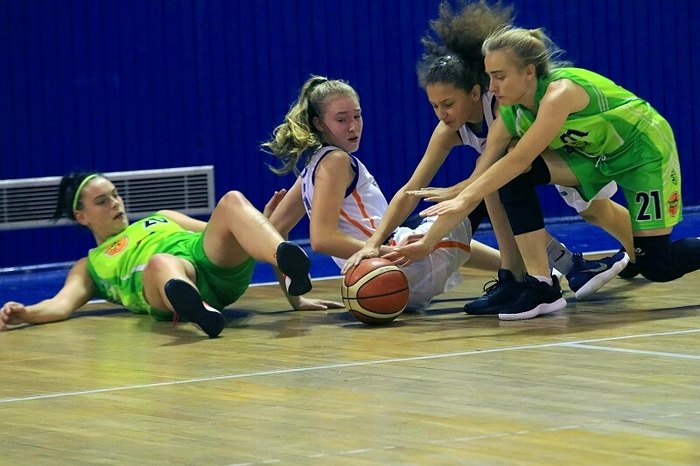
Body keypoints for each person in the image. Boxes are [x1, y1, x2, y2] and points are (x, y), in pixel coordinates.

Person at [391, 20, 700, 320]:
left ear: (528, 72)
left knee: (657, 266)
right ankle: (541, 284)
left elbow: (519, 159)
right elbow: (487, 172)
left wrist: (463, 197)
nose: (492, 87)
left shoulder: (559, 93)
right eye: (489, 77)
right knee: (513, 180)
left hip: (641, 152)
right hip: (592, 154)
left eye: (499, 77)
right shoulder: (509, 111)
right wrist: (437, 230)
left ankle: (634, 255)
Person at [344, 0, 630, 317]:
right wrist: (373, 242)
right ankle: (520, 275)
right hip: (533, 166)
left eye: (448, 104)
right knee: (497, 191)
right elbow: (411, 190)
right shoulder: (447, 130)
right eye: (434, 106)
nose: (441, 114)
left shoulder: (502, 110)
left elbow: (481, 180)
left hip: (577, 151)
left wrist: (434, 233)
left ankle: (623, 257)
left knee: (595, 211)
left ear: (475, 92)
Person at [0, 172, 339, 337]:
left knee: (232, 202)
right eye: (102, 201)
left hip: (211, 264)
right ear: (82, 217)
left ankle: (283, 258)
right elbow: (60, 305)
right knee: (161, 263)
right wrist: (26, 313)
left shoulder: (162, 217)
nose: (115, 204)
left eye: (115, 195)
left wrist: (295, 298)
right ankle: (198, 309)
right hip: (165, 284)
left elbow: (222, 232)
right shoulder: (89, 266)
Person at [262, 76, 490, 312]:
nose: (353, 126)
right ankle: (514, 276)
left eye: (357, 116)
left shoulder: (310, 171)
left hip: (371, 283)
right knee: (482, 182)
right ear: (319, 124)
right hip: (395, 268)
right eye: (341, 119)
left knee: (426, 230)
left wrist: (296, 300)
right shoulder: (336, 161)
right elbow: (322, 240)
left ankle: (512, 270)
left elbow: (274, 232)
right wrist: (393, 252)